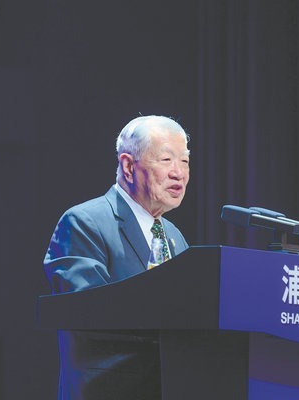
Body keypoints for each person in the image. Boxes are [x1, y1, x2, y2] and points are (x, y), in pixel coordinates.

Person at [43, 115, 191, 399]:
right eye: (166, 160)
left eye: (184, 161)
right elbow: (87, 313)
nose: (179, 173)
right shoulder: (84, 222)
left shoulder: (174, 236)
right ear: (128, 166)